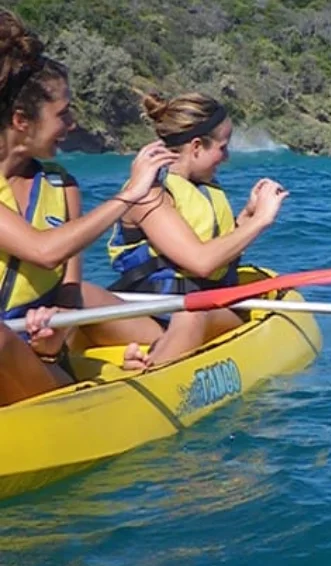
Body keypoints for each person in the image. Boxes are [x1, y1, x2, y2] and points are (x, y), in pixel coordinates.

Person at [0, 9, 176, 406]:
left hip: (41, 363)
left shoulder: (63, 187)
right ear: (21, 121)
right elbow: (44, 252)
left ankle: (151, 362)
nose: (73, 124)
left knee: (99, 303)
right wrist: (127, 196)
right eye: (62, 114)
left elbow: (69, 292)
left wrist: (51, 341)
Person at [106, 90, 288, 370]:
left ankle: (150, 367)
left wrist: (245, 218)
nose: (226, 157)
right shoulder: (148, 193)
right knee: (77, 293)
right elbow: (201, 262)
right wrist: (260, 220)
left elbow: (210, 252)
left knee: (190, 313)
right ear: (196, 148)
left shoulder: (202, 186)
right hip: (150, 312)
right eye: (222, 147)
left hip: (206, 311)